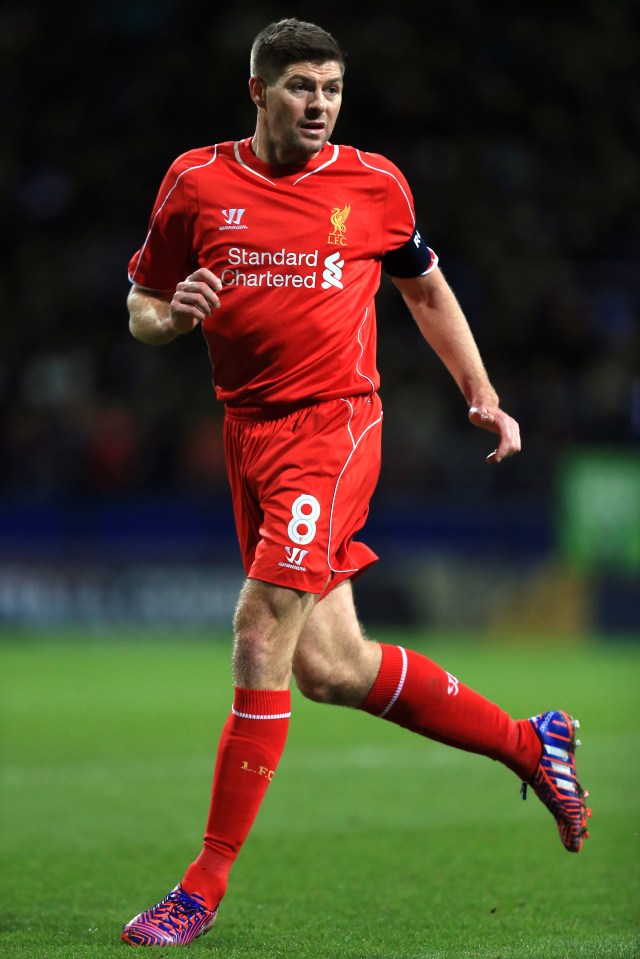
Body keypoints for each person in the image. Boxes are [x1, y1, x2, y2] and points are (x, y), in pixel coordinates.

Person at [120, 18, 590, 948]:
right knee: (329, 665)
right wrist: (170, 317)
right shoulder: (196, 181)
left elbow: (423, 287)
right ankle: (536, 744)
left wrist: (484, 394)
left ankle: (198, 889)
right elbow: (140, 304)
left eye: (332, 88)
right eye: (301, 87)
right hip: (247, 431)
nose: (321, 104)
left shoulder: (374, 184)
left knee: (260, 630)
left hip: (332, 427)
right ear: (257, 91)